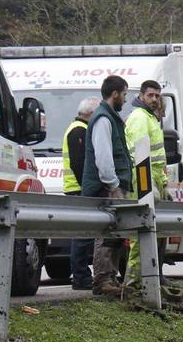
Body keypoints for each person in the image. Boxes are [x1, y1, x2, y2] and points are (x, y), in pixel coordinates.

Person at [81, 75, 131, 296]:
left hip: (110, 185)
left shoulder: (109, 117)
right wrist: (114, 185)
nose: (125, 99)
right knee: (107, 232)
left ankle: (109, 277)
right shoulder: (103, 119)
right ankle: (102, 279)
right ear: (115, 94)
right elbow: (103, 157)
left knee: (115, 233)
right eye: (124, 94)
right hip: (106, 187)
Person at [124, 80, 167, 289]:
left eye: (157, 96)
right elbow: (140, 156)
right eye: (150, 95)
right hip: (144, 178)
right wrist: (148, 185)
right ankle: (133, 283)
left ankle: (146, 279)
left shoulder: (150, 118)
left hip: (153, 178)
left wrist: (163, 181)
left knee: (150, 232)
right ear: (141, 95)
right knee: (140, 234)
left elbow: (157, 155)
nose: (154, 99)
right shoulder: (140, 118)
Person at [61, 97, 99, 290]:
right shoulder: (79, 131)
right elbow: (79, 164)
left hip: (77, 188)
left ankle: (82, 275)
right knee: (82, 236)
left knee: (84, 235)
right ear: (90, 114)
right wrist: (88, 188)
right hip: (79, 189)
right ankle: (81, 276)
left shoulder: (79, 128)